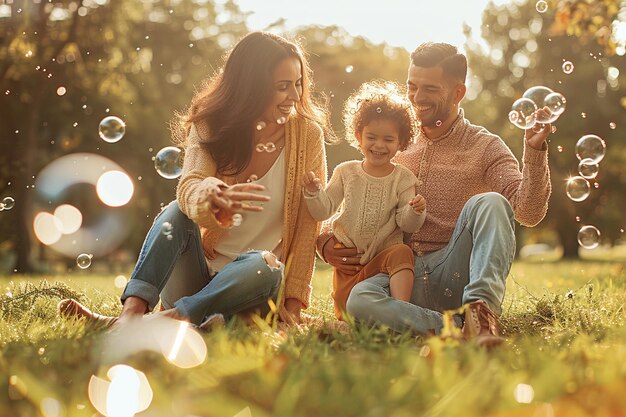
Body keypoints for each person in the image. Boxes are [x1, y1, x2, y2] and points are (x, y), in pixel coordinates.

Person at [58, 31, 330, 327]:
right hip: (196, 279)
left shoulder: (307, 137)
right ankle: (131, 315)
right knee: (174, 211)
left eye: (298, 83)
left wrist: (293, 306)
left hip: (253, 285)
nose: (294, 95)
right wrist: (210, 194)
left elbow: (307, 225)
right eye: (282, 86)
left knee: (265, 264)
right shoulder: (210, 124)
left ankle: (157, 323)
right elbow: (190, 184)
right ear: (251, 87)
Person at [318, 42, 552, 346]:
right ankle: (454, 327)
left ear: (458, 93)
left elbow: (528, 212)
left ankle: (481, 315)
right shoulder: (393, 142)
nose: (417, 98)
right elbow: (352, 196)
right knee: (359, 301)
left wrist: (534, 151)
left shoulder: (485, 146)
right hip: (399, 275)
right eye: (412, 87)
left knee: (491, 203)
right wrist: (323, 240)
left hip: (454, 274)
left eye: (429, 89)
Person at [302, 81, 426, 320]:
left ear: (401, 142)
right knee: (350, 317)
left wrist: (415, 211)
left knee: (402, 251)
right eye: (371, 137)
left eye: (389, 140)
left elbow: (407, 224)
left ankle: (402, 312)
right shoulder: (345, 172)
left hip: (383, 262)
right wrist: (313, 193)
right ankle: (367, 311)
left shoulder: (403, 178)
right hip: (351, 262)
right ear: (358, 136)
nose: (379, 145)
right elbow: (323, 210)